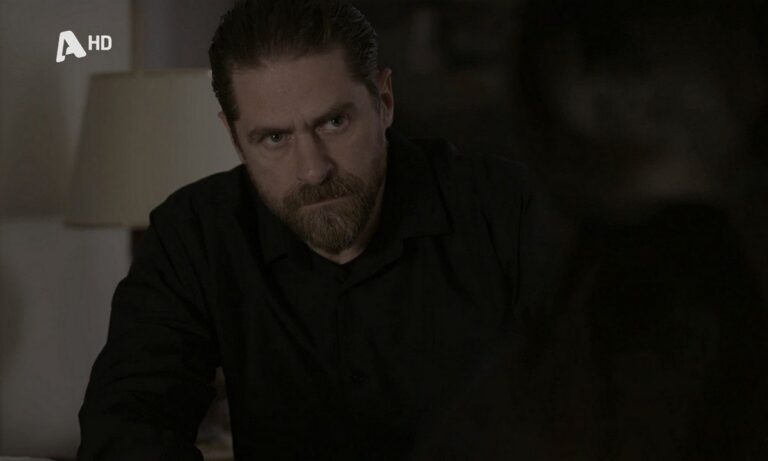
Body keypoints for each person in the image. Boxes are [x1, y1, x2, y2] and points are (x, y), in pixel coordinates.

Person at [77, 1, 552, 459]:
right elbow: (127, 422)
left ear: (384, 102)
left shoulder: (507, 211)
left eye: (334, 122)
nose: (312, 170)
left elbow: (585, 396)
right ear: (234, 137)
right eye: (274, 138)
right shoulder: (194, 234)